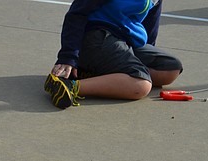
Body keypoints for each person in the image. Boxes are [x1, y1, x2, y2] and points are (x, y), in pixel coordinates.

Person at [44, 0, 183, 109]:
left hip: (126, 40)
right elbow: (77, 13)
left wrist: (145, 56)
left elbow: (151, 23)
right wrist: (68, 57)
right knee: (140, 85)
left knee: (170, 69)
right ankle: (70, 85)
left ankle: (94, 72)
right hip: (96, 36)